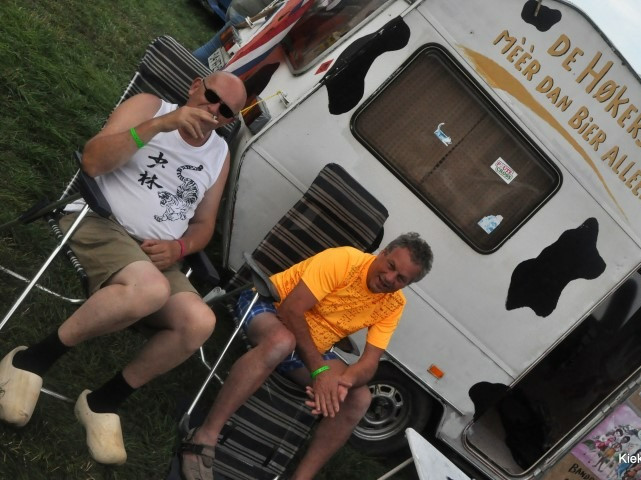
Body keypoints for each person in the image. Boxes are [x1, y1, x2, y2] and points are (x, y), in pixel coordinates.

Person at [0, 71, 247, 465]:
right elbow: (93, 160)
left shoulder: (220, 154)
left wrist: (180, 247)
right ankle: (30, 360)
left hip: (156, 257)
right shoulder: (150, 107)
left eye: (226, 111)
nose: (214, 109)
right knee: (151, 289)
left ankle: (102, 402)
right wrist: (162, 125)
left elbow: (204, 225)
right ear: (195, 86)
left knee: (199, 321)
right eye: (212, 96)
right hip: (101, 221)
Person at [181, 232, 433, 480]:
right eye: (391, 266)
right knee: (281, 342)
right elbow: (291, 311)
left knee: (359, 398)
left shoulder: (393, 304)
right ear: (383, 252)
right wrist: (320, 372)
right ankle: (204, 436)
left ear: (407, 284)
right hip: (270, 305)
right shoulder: (345, 260)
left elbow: (369, 364)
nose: (389, 278)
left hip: (308, 348)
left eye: (401, 278)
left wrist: (342, 382)